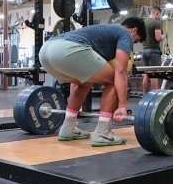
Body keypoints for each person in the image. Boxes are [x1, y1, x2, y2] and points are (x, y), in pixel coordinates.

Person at [39, 17, 146, 147]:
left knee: (85, 83)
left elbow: (79, 80)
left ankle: (68, 128)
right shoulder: (125, 34)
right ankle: (103, 132)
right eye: (136, 41)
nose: (132, 44)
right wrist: (122, 105)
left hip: (46, 52)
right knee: (113, 81)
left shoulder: (102, 32)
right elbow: (121, 71)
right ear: (134, 31)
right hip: (68, 50)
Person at [142, 6, 165, 93]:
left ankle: (145, 96)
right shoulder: (156, 23)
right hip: (154, 51)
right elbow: (158, 38)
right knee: (154, 75)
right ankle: (155, 97)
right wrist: (164, 36)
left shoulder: (143, 22)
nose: (159, 16)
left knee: (146, 75)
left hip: (144, 51)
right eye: (159, 15)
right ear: (157, 13)